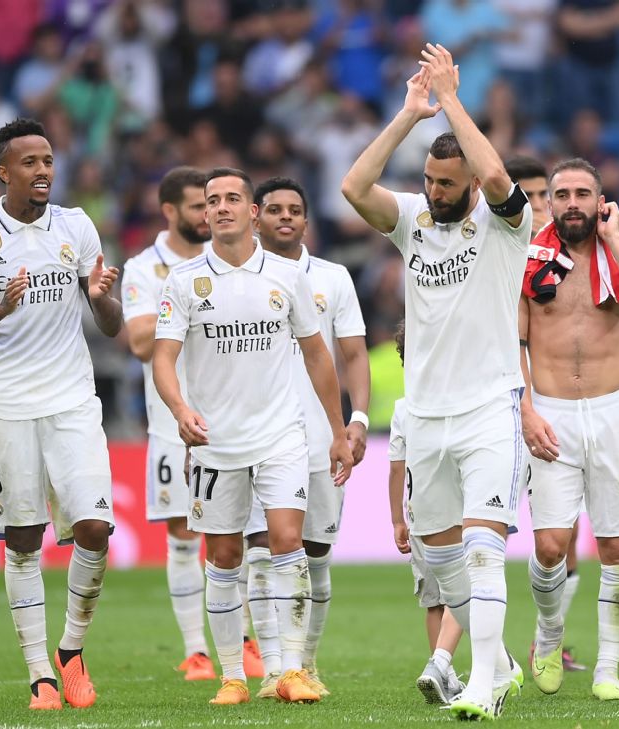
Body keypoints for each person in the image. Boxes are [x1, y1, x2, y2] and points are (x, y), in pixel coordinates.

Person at [341, 43, 530, 720]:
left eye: (447, 183)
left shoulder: (508, 226)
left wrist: (452, 99)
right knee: (442, 561)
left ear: (471, 185)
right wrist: (407, 117)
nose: (434, 191)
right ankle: (500, 660)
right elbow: (355, 189)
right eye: (428, 179)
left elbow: (501, 174)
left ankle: (484, 682)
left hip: (487, 408)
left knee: (483, 547)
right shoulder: (413, 225)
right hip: (424, 416)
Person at [0, 118, 123, 711]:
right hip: (10, 406)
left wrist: (100, 298)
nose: (43, 170)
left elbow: (113, 326)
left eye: (48, 160)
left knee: (94, 529)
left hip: (72, 400)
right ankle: (40, 673)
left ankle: (71, 651)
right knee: (23, 540)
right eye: (30, 162)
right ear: (2, 172)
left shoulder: (76, 226)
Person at [153, 167, 354, 707]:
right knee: (222, 556)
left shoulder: (288, 277)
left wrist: (337, 430)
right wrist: (179, 408)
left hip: (281, 436)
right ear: (204, 213)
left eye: (232, 199)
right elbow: (163, 357)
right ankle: (231, 676)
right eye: (211, 200)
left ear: (251, 212)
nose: (220, 207)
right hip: (216, 442)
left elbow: (318, 355)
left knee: (288, 542)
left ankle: (289, 670)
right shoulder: (184, 281)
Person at [521, 158, 619, 702]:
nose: (573, 203)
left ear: (600, 201)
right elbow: (514, 342)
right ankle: (550, 635)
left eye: (584, 193)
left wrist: (617, 237)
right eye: (563, 194)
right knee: (553, 546)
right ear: (550, 202)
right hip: (551, 410)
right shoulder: (528, 257)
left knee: (616, 550)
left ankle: (608, 670)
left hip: (610, 411)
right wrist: (526, 410)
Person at [240, 176, 371, 698]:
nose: (286, 217)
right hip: (254, 436)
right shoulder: (234, 278)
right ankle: (273, 667)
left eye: (295, 209)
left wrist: (357, 418)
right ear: (256, 216)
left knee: (315, 554)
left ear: (307, 220)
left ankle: (306, 662)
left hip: (321, 437)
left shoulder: (334, 278)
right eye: (275, 210)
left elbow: (354, 353)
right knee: (260, 551)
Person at [119, 166, 223, 681]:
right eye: (196, 206)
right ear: (169, 211)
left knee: (241, 533)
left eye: (210, 205)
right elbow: (140, 343)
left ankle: (246, 641)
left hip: (230, 416)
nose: (208, 215)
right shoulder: (144, 268)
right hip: (169, 423)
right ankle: (194, 650)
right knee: (184, 534)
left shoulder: (227, 259)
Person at [506, 154, 585, 673]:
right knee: (480, 533)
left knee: (563, 537)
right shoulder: (500, 252)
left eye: (543, 196)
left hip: (555, 409)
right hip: (501, 407)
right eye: (529, 197)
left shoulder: (566, 254)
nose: (537, 206)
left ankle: (547, 640)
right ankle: (465, 649)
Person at [386, 318, 466, 704]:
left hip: (417, 517)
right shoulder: (457, 402)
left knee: (433, 601)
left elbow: (395, 469)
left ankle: (439, 671)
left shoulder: (402, 408)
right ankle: (442, 666)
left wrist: (398, 519)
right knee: (462, 593)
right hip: (455, 517)